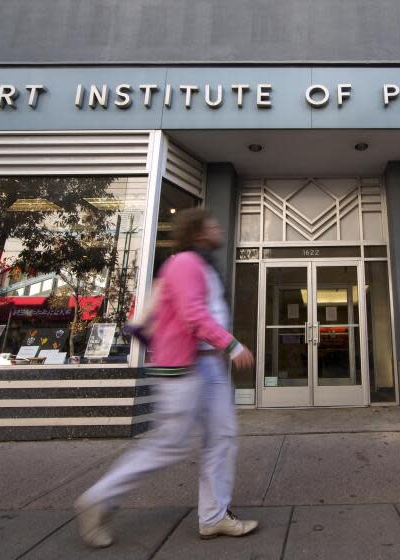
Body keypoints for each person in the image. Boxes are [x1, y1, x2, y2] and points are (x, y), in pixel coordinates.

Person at [74, 208, 257, 548]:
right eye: (213, 224)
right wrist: (231, 344)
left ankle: (215, 516)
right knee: (171, 443)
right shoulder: (186, 262)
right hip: (186, 365)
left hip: (209, 365)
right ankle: (100, 498)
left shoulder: (203, 265)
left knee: (222, 437)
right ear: (199, 233)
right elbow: (192, 314)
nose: (219, 228)